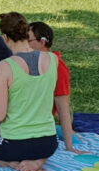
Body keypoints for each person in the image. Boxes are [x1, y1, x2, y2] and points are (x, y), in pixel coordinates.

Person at [0, 12, 58, 171]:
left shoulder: (5, 66)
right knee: (35, 145)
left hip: (15, 143)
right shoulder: (52, 59)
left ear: (5, 38)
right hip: (49, 143)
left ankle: (10, 164)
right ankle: (38, 159)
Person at [29, 21, 82, 153]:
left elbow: (63, 109)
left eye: (28, 40)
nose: (24, 44)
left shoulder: (57, 67)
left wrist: (69, 146)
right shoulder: (26, 61)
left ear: (42, 43)